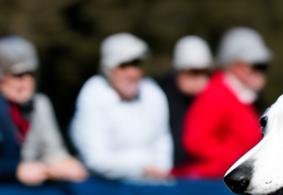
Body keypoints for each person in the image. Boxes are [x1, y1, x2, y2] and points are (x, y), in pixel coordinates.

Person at [69, 33, 172, 180]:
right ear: (108, 69)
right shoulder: (93, 93)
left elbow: (162, 142)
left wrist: (159, 170)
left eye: (136, 64)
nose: (132, 73)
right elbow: (96, 159)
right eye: (123, 66)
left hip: (151, 187)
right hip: (104, 189)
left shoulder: (152, 92)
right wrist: (142, 167)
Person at [178, 27, 270, 178]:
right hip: (215, 184)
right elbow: (195, 141)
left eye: (263, 67)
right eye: (255, 66)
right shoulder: (215, 95)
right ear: (234, 65)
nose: (260, 73)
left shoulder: (245, 97)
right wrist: (239, 159)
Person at [0, 35, 86, 185]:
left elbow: (52, 150)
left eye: (30, 74)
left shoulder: (40, 105)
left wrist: (64, 163)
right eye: (18, 76)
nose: (25, 82)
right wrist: (14, 169)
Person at [156, 35, 212, 169]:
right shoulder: (159, 97)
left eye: (203, 72)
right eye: (192, 72)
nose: (198, 79)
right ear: (177, 71)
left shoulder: (211, 100)